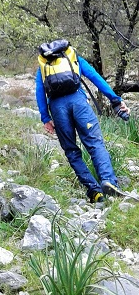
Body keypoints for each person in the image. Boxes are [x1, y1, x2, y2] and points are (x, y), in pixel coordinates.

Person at [35, 40, 130, 203]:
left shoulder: (43, 66)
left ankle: (94, 191)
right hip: (79, 103)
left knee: (71, 151)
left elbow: (39, 91)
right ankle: (108, 180)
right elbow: (95, 77)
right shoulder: (73, 58)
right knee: (95, 143)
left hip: (58, 108)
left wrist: (45, 117)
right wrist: (115, 99)